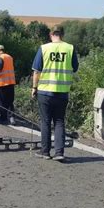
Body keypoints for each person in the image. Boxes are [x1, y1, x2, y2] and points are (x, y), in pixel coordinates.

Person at [31, 25, 79, 161]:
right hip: (62, 92)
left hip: (45, 91)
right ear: (62, 34)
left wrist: (34, 88)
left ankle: (45, 152)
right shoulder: (70, 48)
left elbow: (36, 71)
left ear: (51, 34)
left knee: (45, 121)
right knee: (59, 121)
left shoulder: (44, 48)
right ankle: (59, 153)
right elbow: (75, 68)